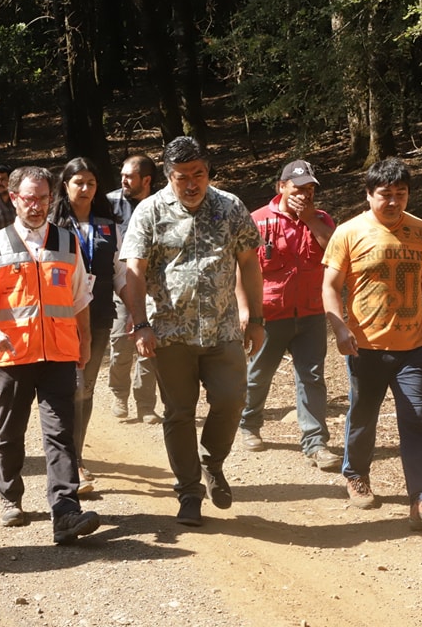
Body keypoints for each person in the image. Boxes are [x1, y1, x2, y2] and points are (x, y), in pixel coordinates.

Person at [121, 137, 265, 527]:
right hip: (169, 334)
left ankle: (212, 462)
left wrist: (256, 318)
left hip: (222, 329)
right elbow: (133, 271)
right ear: (168, 176)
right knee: (179, 413)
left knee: (232, 399)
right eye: (182, 176)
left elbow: (249, 263)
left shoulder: (230, 206)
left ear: (207, 172)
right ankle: (188, 491)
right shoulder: (149, 212)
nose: (191, 183)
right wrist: (140, 325)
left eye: (198, 174)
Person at [322, 157, 422, 533]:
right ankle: (355, 474)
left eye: (401, 194)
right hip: (364, 347)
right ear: (369, 196)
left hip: (413, 347)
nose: (394, 202)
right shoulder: (349, 233)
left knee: (415, 422)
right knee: (363, 416)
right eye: (385, 195)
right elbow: (330, 287)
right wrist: (339, 328)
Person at [0, 165, 102, 545]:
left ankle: (65, 511)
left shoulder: (66, 241)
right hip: (13, 355)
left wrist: (86, 339)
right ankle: (10, 497)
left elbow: (80, 296)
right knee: (11, 432)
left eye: (44, 198)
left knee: (61, 434)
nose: (37, 206)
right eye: (29, 198)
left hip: (59, 354)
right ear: (14, 199)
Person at [238, 160, 341, 471]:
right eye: (298, 189)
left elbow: (336, 254)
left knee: (311, 378)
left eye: (310, 190)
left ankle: (315, 443)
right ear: (281, 187)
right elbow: (239, 270)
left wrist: (310, 220)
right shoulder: (257, 221)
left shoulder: (322, 220)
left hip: (310, 314)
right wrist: (245, 310)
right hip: (269, 315)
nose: (305, 195)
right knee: (258, 376)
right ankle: (248, 424)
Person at [50, 157, 127, 494]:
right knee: (65, 388)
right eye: (78, 182)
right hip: (56, 318)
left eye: (91, 183)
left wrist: (137, 313)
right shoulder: (52, 226)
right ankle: (67, 460)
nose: (85, 189)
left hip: (97, 318)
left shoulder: (110, 226)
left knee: (85, 388)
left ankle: (74, 458)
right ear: (65, 185)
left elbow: (122, 274)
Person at [105, 155, 160, 424]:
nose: (123, 180)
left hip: (153, 288)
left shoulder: (160, 205)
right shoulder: (109, 202)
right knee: (120, 343)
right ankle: (118, 394)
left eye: (130, 176)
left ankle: (146, 404)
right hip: (121, 284)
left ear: (146, 180)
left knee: (149, 345)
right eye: (122, 174)